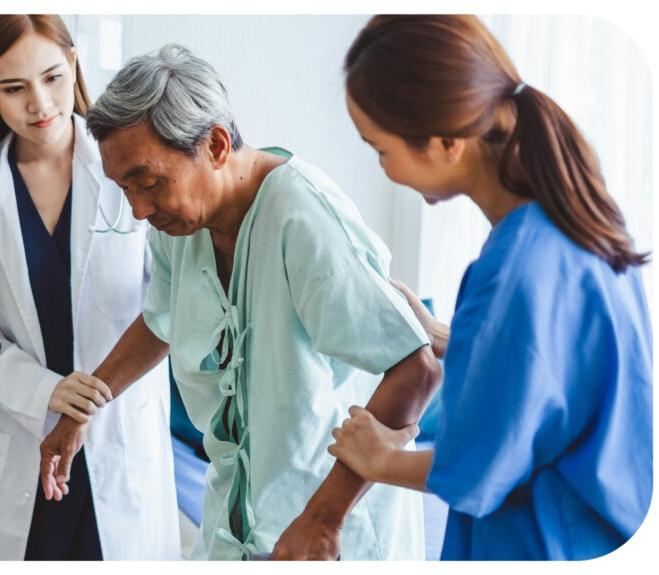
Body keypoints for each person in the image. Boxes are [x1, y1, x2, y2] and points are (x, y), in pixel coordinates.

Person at [37, 43, 441, 561]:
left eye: (149, 182)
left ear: (217, 145)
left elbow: (415, 367)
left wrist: (323, 518)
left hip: (334, 529)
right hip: (243, 520)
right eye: (125, 188)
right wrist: (84, 409)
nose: (139, 209)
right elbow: (163, 320)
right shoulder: (179, 223)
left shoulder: (302, 217)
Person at [328, 15, 653, 561]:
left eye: (380, 149)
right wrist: (455, 340)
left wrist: (379, 458)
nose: (383, 169)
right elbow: (562, 372)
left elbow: (479, 465)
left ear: (446, 142)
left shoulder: (512, 270)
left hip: (546, 543)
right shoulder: (579, 218)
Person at [0, 15, 180, 560]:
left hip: (115, 436)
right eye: (13, 88)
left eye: (53, 77)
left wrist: (86, 400)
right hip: (19, 438)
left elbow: (173, 301)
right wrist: (46, 391)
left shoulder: (132, 169)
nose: (39, 104)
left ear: (75, 63)